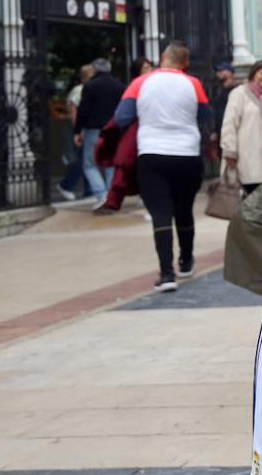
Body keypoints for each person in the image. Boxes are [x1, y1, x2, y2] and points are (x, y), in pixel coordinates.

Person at [112, 41, 210, 292]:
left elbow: (122, 117)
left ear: (163, 56)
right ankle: (186, 260)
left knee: (160, 212)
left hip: (151, 153)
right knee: (184, 209)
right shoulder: (194, 84)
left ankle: (167, 274)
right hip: (187, 154)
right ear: (185, 63)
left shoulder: (140, 83)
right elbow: (206, 117)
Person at [220, 60, 262, 194]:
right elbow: (229, 124)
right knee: (250, 201)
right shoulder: (240, 93)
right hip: (246, 158)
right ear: (254, 74)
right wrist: (230, 152)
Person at [74, 57, 125, 208]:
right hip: (112, 129)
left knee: (89, 164)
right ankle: (109, 194)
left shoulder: (90, 86)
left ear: (95, 70)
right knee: (109, 163)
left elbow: (83, 110)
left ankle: (101, 194)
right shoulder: (119, 86)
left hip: (93, 129)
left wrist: (77, 131)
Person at [56, 64, 94, 201]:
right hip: (80, 131)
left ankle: (88, 191)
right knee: (83, 161)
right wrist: (79, 131)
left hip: (84, 130)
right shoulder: (79, 91)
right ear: (84, 78)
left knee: (87, 161)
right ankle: (66, 185)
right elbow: (73, 114)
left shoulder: (87, 90)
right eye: (91, 77)